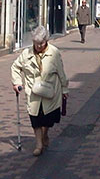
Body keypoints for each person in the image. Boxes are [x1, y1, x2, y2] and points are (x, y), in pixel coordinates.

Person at [11, 26, 69, 156]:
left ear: (46, 41)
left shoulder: (54, 53)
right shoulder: (26, 54)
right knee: (35, 118)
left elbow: (61, 73)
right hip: (33, 93)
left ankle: (45, 135)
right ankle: (38, 144)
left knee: (48, 119)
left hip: (50, 92)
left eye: (41, 43)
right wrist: (17, 82)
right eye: (36, 43)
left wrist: (65, 89)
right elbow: (15, 67)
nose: (38, 46)